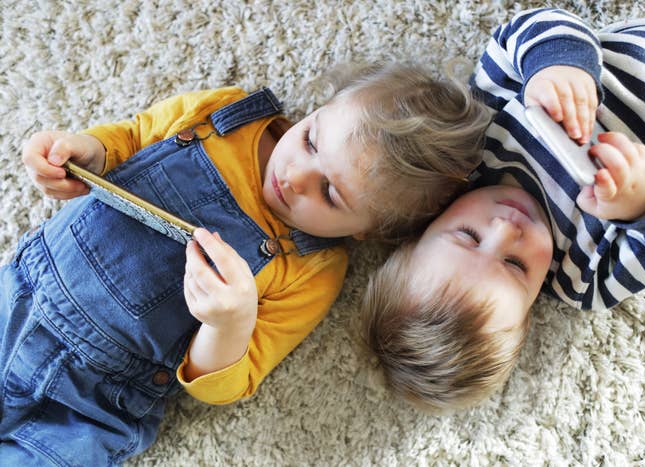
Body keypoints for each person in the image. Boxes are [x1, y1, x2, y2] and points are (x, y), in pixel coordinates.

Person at [0, 62, 491, 464]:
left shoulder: (313, 271)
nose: (296, 176)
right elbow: (132, 139)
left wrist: (229, 322)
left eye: (330, 193)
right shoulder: (224, 114)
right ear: (320, 108)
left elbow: (232, 382)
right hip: (19, 294)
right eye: (312, 141)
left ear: (366, 232)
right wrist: (88, 152)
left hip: (95, 400)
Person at [360, 9, 645, 411]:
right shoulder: (584, 276)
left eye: (468, 236)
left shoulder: (475, 142)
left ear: (425, 228)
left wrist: (556, 65)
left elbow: (518, 35)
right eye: (515, 264)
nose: (506, 228)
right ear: (527, 315)